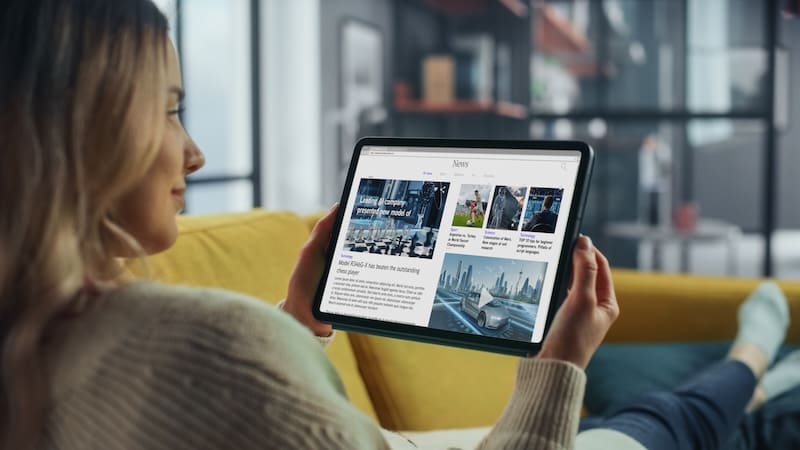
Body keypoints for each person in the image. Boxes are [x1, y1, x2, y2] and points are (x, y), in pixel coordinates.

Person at [1, 1, 796, 450]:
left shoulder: (30, 346)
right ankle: (758, 350)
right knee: (668, 421)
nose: (197, 153)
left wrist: (296, 322)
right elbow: (225, 387)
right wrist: (560, 364)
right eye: (172, 109)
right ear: (88, 129)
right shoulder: (213, 345)